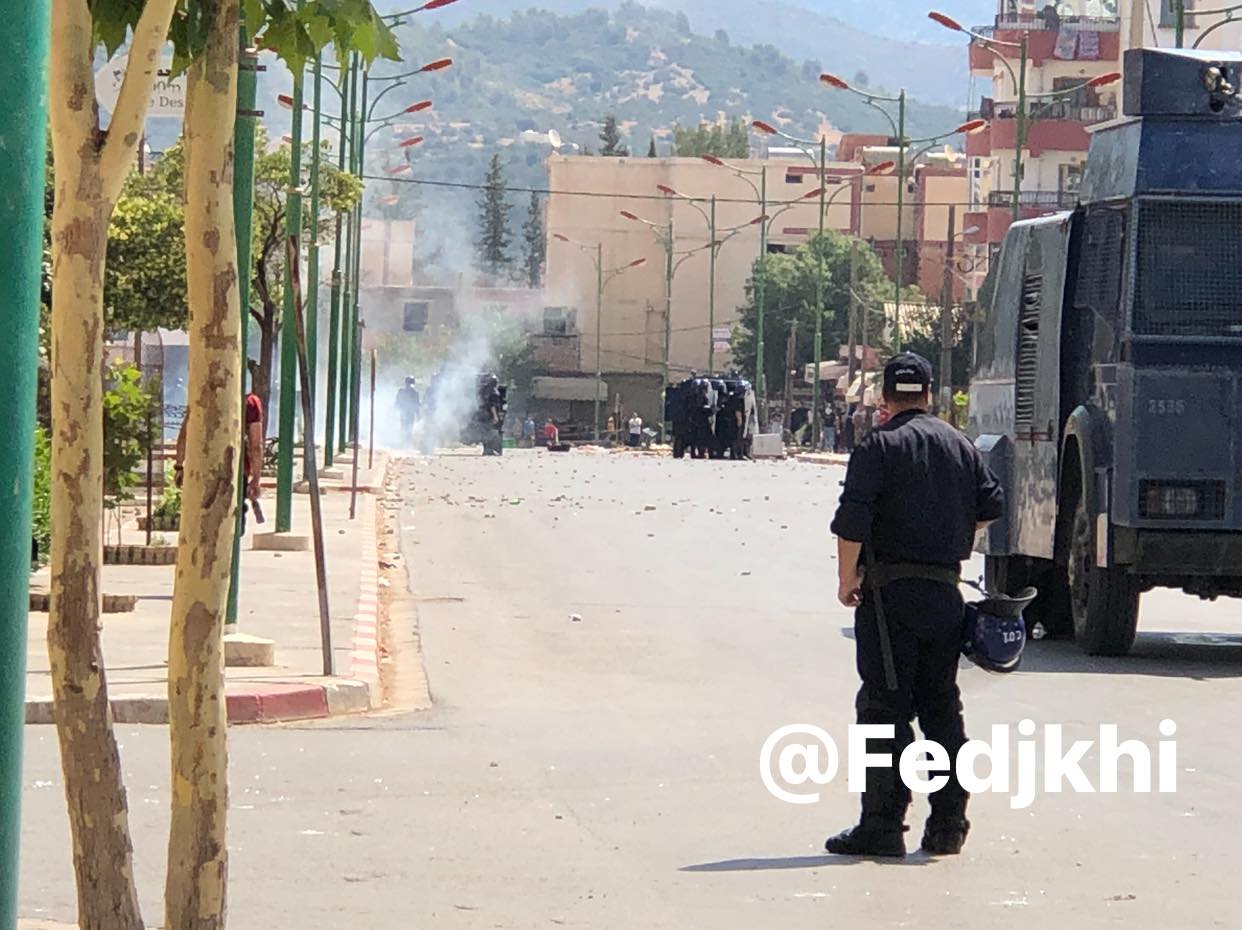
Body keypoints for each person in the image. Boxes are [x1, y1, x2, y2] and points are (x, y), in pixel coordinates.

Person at [826, 352, 1004, 859]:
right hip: (945, 593)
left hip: (889, 596)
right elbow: (991, 507)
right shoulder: (960, 446)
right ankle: (949, 823)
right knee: (942, 707)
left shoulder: (878, 447)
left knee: (883, 707)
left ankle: (882, 824)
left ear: (885, 398)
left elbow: (851, 522)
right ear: (929, 395)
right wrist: (951, 542)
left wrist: (847, 581)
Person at [175, 387, 265, 528]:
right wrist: (256, 478)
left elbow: (184, 434)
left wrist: (179, 465)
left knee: (201, 520)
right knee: (231, 521)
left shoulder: (202, 392)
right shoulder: (250, 402)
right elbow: (256, 445)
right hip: (235, 469)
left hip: (201, 468)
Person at [395, 376, 421, 445]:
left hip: (407, 413)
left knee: (406, 428)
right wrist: (418, 415)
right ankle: (405, 442)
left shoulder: (403, 391)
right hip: (407, 413)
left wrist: (418, 414)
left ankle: (405, 443)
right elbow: (417, 405)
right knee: (407, 428)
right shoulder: (414, 392)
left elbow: (416, 405)